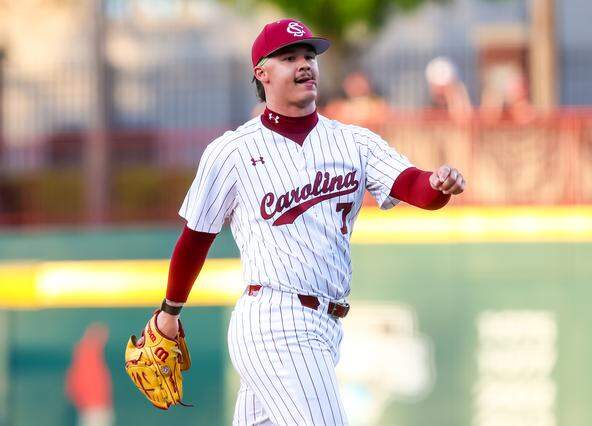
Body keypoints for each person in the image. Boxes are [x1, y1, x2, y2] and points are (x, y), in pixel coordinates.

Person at [146, 18, 466, 425]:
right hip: (275, 318)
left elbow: (412, 186)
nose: (304, 64)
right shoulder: (233, 152)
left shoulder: (353, 142)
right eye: (289, 56)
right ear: (261, 73)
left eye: (309, 56)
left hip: (325, 325)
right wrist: (169, 311)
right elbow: (196, 238)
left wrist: (438, 184)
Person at [425, 56, 473, 124]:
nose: (441, 91)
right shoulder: (427, 104)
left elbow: (464, 120)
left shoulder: (457, 97)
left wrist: (455, 98)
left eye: (443, 87)